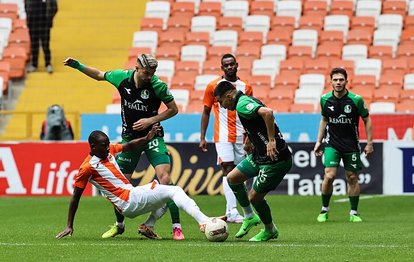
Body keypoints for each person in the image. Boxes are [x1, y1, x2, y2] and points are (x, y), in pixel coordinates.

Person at [63, 54, 185, 240]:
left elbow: (173, 109)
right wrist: (78, 65)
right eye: (146, 72)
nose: (150, 76)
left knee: (165, 178)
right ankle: (119, 226)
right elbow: (98, 75)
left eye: (152, 73)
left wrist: (150, 121)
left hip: (152, 137)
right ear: (137, 67)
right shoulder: (121, 77)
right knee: (118, 187)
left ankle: (176, 227)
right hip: (129, 140)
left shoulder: (158, 86)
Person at [56, 126, 226, 240]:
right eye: (104, 145)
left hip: (129, 201)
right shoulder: (87, 167)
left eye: (108, 144)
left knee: (168, 197)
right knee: (175, 191)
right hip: (128, 199)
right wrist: (69, 225)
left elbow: (129, 146)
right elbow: (75, 197)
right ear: (93, 146)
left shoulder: (107, 151)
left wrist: (147, 137)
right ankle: (204, 221)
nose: (108, 148)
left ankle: (147, 225)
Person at [213, 81, 293, 242]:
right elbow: (258, 122)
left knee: (255, 198)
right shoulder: (246, 101)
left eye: (221, 101)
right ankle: (249, 217)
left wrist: (271, 140)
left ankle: (270, 230)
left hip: (274, 159)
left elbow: (268, 113)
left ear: (229, 96)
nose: (221, 106)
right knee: (232, 178)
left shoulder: (242, 104)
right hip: (259, 155)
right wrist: (250, 139)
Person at [314, 67, 374, 223]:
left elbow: (367, 119)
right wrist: (319, 141)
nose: (338, 82)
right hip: (331, 144)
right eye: (335, 80)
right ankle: (324, 210)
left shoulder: (356, 100)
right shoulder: (325, 99)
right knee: (329, 175)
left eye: (341, 80)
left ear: (347, 81)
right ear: (331, 81)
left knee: (352, 177)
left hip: (351, 145)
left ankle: (354, 212)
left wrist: (369, 142)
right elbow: (324, 120)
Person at [199, 53, 253, 223]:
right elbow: (206, 111)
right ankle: (231, 211)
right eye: (226, 65)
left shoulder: (246, 87)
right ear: (222, 68)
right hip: (222, 135)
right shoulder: (212, 86)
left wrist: (250, 136)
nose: (230, 67)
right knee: (228, 170)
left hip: (241, 135)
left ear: (237, 65)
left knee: (242, 173)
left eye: (232, 64)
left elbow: (250, 111)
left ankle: (244, 209)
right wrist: (202, 137)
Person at [25, 0, 58, 73]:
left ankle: (48, 64)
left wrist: (49, 18)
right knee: (34, 45)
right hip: (33, 23)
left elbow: (55, 7)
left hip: (44, 24)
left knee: (45, 45)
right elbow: (26, 7)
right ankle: (34, 65)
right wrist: (29, 20)